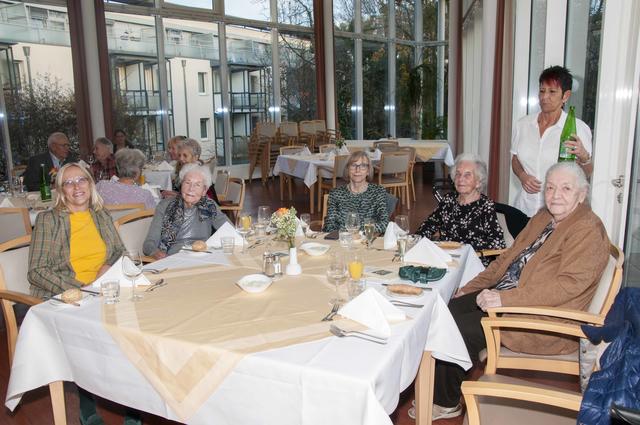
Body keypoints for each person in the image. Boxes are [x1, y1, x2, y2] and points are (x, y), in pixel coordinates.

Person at [420, 162, 609, 421]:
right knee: (445, 310)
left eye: (566, 188)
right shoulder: (545, 216)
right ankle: (442, 386)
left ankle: (445, 401)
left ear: (582, 194)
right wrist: (469, 287)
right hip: (510, 297)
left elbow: (568, 285)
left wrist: (504, 299)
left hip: (540, 319)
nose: (555, 195)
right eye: (551, 187)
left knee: (458, 327)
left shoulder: (587, 228)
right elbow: (507, 258)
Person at [511, 65, 593, 217]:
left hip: (558, 212)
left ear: (565, 96)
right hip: (524, 208)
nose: (544, 97)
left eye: (552, 92)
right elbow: (515, 159)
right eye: (542, 91)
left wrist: (584, 157)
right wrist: (522, 176)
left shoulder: (578, 128)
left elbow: (586, 173)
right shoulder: (522, 124)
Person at [416, 153, 505, 265]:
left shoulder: (485, 206)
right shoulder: (448, 200)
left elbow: (498, 243)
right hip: (445, 260)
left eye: (467, 175)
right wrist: (417, 240)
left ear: (478, 182)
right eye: (458, 174)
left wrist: (462, 247)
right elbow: (429, 225)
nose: (460, 179)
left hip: (472, 263)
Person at [143, 163, 230, 258]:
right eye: (187, 183)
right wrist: (156, 253)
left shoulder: (209, 206)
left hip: (203, 258)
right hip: (173, 259)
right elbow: (149, 244)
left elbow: (230, 231)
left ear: (204, 190)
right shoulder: (164, 206)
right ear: (181, 184)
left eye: (197, 185)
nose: (191, 189)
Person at [322, 150, 389, 234]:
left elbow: (384, 224)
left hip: (367, 242)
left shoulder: (378, 192)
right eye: (353, 165)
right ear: (347, 169)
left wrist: (359, 233)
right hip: (342, 243)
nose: (357, 170)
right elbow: (329, 226)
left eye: (363, 166)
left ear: (368, 171)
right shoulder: (336, 194)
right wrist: (349, 234)